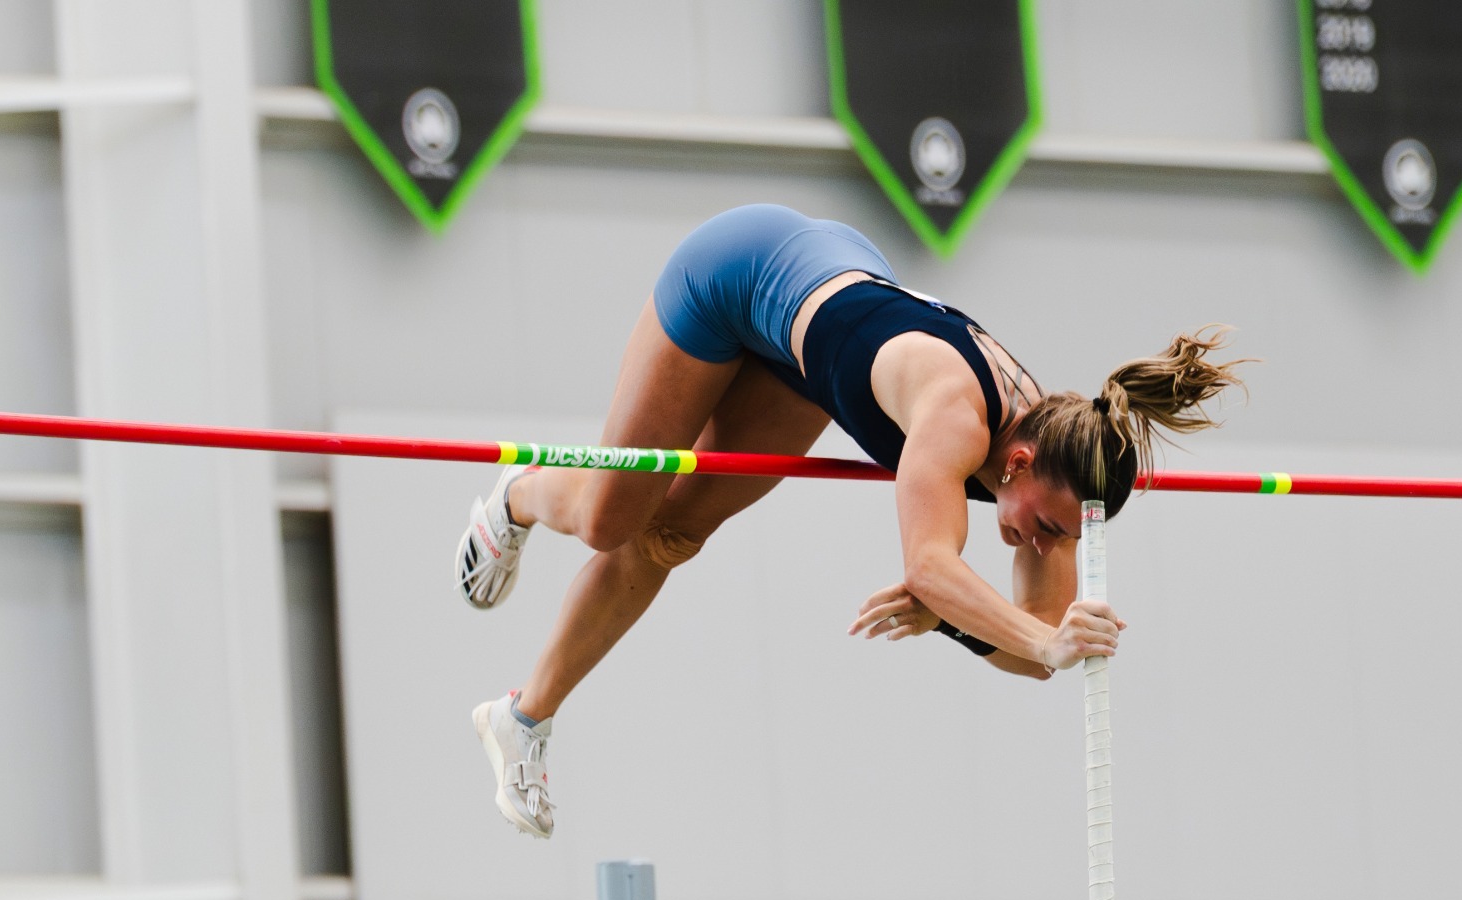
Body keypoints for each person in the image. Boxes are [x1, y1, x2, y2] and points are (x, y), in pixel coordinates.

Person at [454, 204, 1245, 838]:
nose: (1045, 544)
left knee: (669, 537)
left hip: (818, 324)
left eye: (1062, 537)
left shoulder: (1057, 465)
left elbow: (1035, 647)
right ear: (1018, 462)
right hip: (739, 271)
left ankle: (522, 718)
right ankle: (519, 496)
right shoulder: (956, 415)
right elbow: (938, 570)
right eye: (1048, 526)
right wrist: (1020, 632)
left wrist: (960, 622)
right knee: (611, 517)